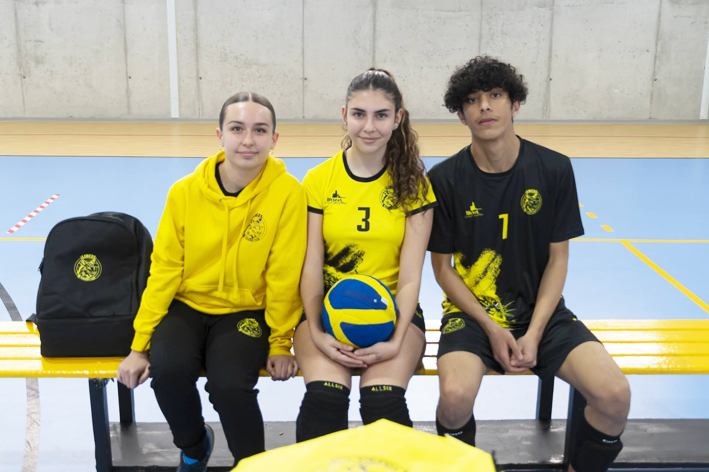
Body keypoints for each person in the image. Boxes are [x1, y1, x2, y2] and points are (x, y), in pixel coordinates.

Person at [428, 56, 630, 472]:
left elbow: (559, 259)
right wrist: (492, 327)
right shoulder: (445, 179)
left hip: (544, 314)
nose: (485, 106)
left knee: (614, 395)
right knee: (454, 398)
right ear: (461, 114)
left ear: (515, 104)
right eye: (472, 100)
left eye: (495, 95)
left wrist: (534, 332)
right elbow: (443, 270)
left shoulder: (554, 168)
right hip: (473, 317)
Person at [116, 92, 307, 470]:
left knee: (229, 385)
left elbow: (284, 274)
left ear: (274, 139)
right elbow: (164, 270)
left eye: (260, 130)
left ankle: (253, 465)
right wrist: (139, 346)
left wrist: (280, 342)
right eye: (237, 129)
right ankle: (194, 446)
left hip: (247, 311)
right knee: (167, 374)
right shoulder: (184, 192)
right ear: (220, 135)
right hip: (186, 305)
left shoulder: (288, 194)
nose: (248, 140)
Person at [293, 69, 436, 442]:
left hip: (394, 316)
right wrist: (317, 332)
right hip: (326, 313)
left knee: (382, 401)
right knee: (324, 399)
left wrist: (395, 340)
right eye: (359, 114)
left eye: (381, 115)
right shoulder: (319, 180)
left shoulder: (415, 187)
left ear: (397, 118)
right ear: (345, 115)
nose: (369, 127)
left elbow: (410, 277)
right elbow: (311, 265)